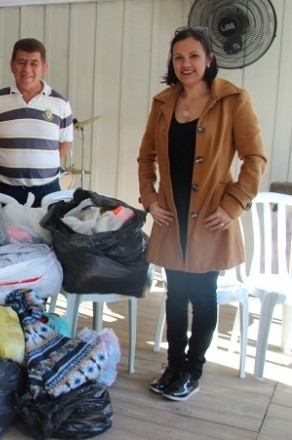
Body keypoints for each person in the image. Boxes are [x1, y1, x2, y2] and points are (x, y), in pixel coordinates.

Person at [138, 26, 266, 401]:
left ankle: (193, 369)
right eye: (179, 57)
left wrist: (234, 205)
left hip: (211, 217)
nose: (186, 64)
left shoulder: (233, 100)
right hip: (170, 215)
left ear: (209, 59)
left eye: (194, 56)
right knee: (175, 294)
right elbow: (146, 157)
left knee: (203, 295)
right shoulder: (163, 103)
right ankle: (174, 365)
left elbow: (254, 158)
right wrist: (149, 199)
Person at [0, 38, 74, 207]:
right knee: (5, 234)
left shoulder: (60, 104)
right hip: (5, 191)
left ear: (44, 67)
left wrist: (41, 162)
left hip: (47, 190)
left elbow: (65, 142)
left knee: (46, 234)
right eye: (21, 62)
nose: (27, 69)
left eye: (34, 63)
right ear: (12, 65)